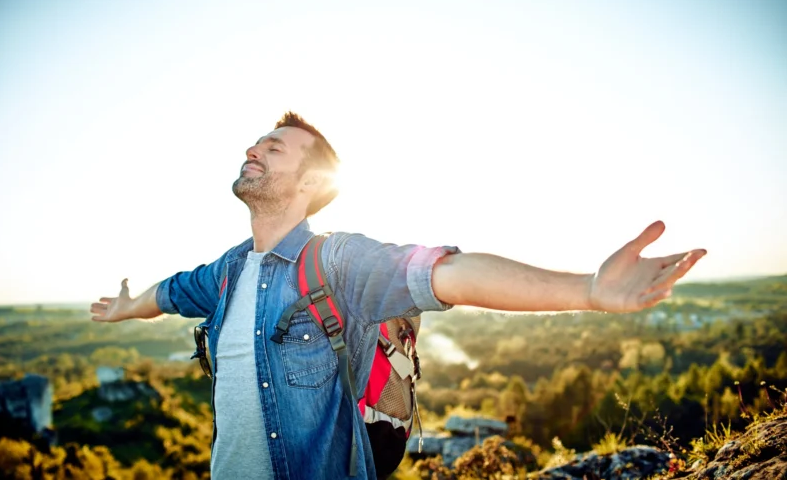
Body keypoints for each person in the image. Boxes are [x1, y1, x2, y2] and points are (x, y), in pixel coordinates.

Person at [91, 112, 706, 479]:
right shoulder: (226, 272)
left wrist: (589, 291)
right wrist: (125, 308)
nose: (252, 149)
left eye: (272, 147)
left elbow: (451, 273)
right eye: (256, 143)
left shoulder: (338, 260)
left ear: (310, 182)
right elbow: (170, 292)